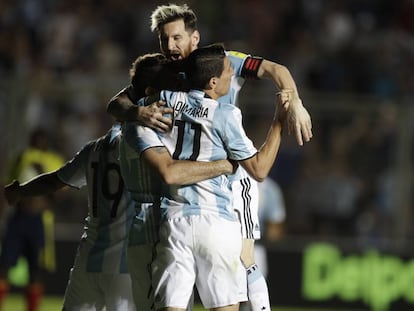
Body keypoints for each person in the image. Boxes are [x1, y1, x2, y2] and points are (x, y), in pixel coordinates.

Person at [107, 4, 312, 311]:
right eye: (164, 40)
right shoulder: (165, 75)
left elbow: (276, 70)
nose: (170, 46)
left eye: (176, 38)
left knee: (245, 258)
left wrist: (294, 100)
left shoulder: (224, 61)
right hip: (187, 192)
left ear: (195, 37)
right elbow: (117, 102)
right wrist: (138, 112)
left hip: (231, 177)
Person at [127, 44, 286, 311]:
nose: (231, 77)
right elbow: (259, 169)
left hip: (174, 221)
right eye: (227, 72)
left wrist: (134, 110)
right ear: (213, 82)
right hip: (215, 222)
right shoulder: (225, 115)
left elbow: (124, 103)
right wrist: (279, 121)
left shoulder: (164, 100)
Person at [118, 52, 238, 311]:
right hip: (152, 228)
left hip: (165, 225)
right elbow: (170, 172)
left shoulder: (149, 117)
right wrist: (225, 165)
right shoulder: (140, 126)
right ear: (152, 92)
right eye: (171, 86)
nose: (179, 91)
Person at [4, 126, 137, 311]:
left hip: (88, 258)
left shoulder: (92, 150)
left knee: (33, 273)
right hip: (125, 262)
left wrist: (19, 191)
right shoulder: (143, 150)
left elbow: (55, 181)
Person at [0, 128, 65, 311]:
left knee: (36, 270)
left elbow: (60, 195)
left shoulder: (54, 161)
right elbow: (7, 186)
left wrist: (44, 172)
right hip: (19, 218)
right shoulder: (22, 157)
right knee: (4, 265)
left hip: (39, 220)